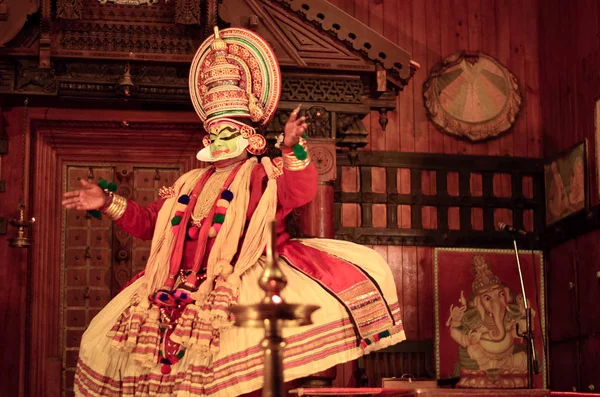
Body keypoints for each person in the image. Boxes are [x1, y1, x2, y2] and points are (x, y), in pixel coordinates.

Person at [62, 27, 405, 397]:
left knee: (243, 383)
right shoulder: (187, 184)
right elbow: (148, 223)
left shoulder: (263, 173)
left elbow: (300, 190)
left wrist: (292, 149)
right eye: (213, 135)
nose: (219, 143)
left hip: (241, 281)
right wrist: (109, 203)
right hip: (177, 288)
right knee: (124, 352)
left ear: (249, 137)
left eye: (228, 133)